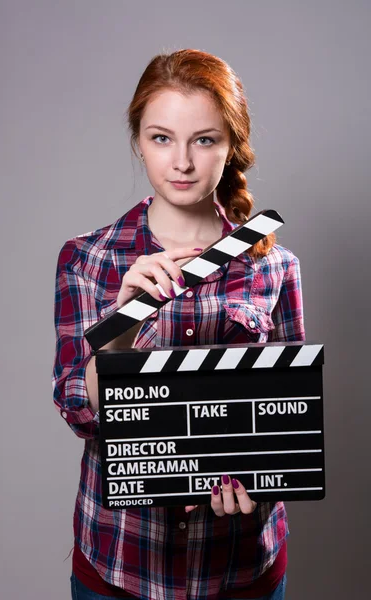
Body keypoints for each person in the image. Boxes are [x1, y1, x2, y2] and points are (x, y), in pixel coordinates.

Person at [52, 49, 305, 600]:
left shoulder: (274, 266)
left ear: (232, 144)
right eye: (162, 138)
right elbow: (79, 409)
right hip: (122, 558)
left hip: (241, 564)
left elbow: (287, 410)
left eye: (205, 139)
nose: (183, 162)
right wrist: (122, 321)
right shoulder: (87, 259)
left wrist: (259, 481)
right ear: (138, 141)